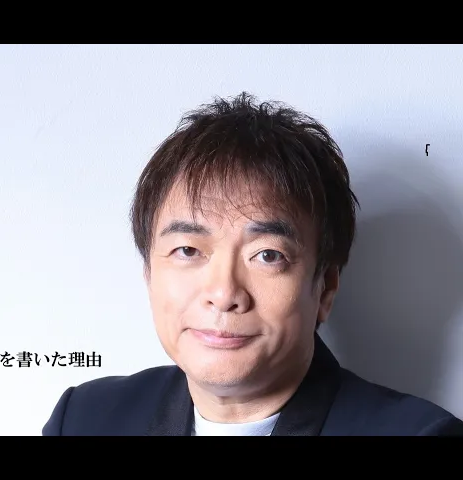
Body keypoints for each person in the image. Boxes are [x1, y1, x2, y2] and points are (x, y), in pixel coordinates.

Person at [42, 92, 463, 436]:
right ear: (148, 273)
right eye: (188, 250)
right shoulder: (84, 418)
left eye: (267, 255)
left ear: (325, 288)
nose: (224, 293)